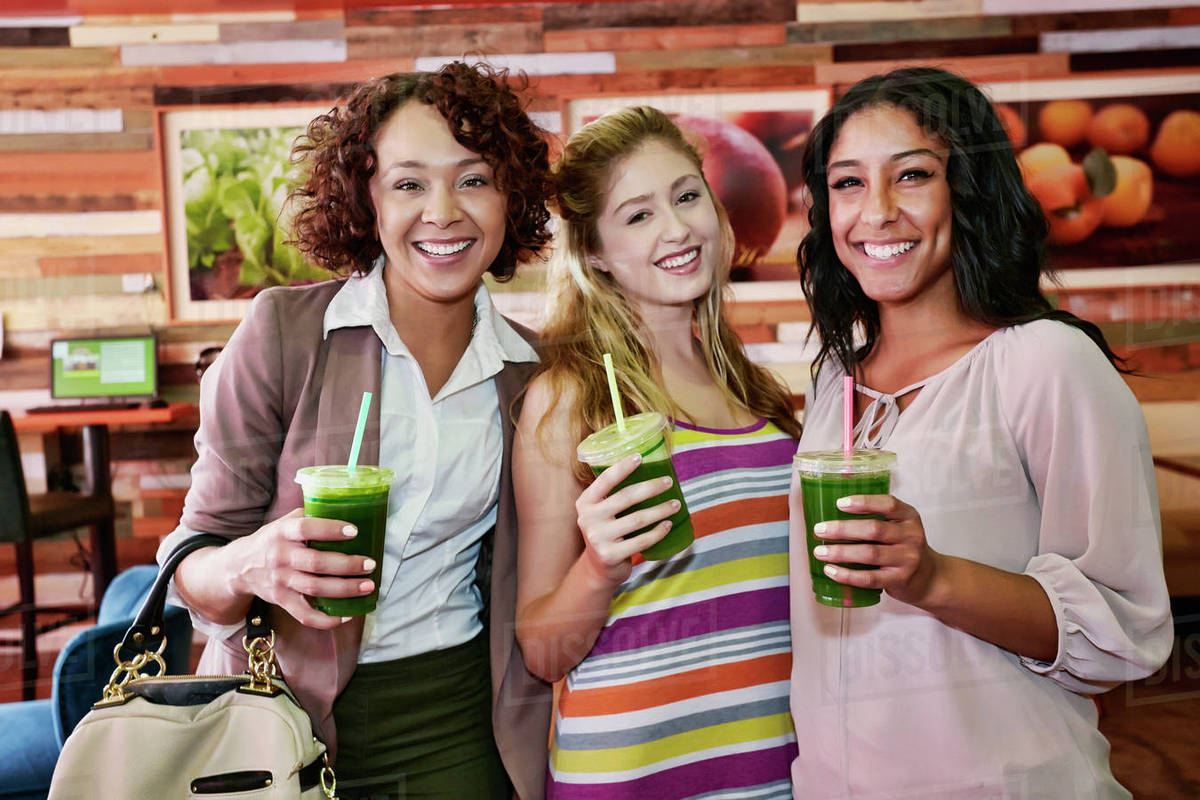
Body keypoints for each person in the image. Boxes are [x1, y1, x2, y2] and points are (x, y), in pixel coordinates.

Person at [157, 62, 555, 799]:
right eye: (408, 183)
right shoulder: (284, 334)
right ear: (364, 199)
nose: (444, 212)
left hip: (459, 722)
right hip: (273, 722)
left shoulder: (534, 372)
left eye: (474, 179)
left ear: (511, 197)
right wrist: (249, 566)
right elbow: (194, 570)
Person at [789, 66, 1173, 798]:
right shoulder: (835, 382)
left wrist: (931, 576)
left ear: (967, 192)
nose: (876, 212)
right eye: (847, 183)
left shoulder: (1045, 363)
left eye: (911, 176)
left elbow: (1124, 629)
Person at [513, 106, 803, 799]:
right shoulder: (568, 402)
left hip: (776, 772)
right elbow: (543, 650)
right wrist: (599, 566)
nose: (676, 229)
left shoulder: (760, 396)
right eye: (637, 216)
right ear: (594, 254)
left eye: (685, 196)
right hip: (630, 776)